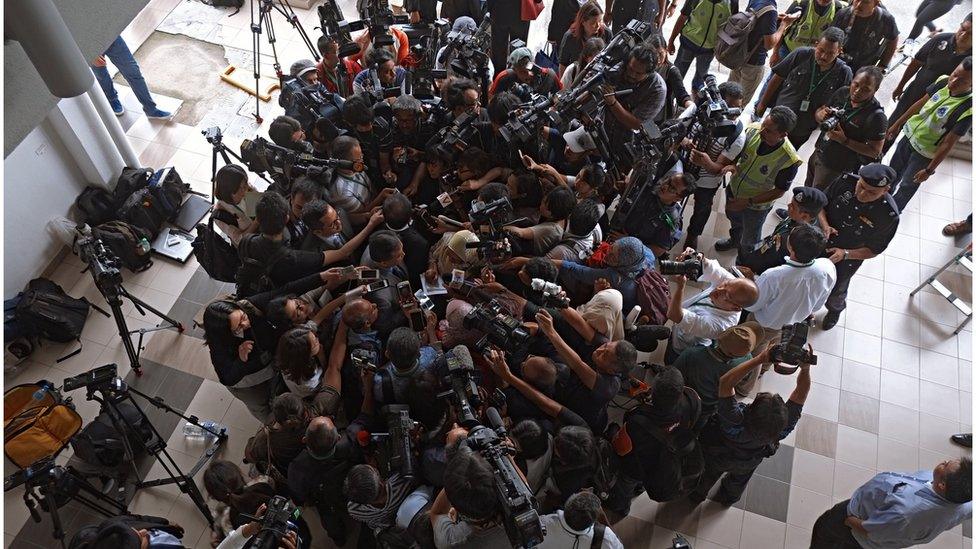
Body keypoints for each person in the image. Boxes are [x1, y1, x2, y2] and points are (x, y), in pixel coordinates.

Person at [688, 342, 811, 505]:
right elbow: (801, 392)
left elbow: (726, 382)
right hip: (750, 460)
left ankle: (697, 494)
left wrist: (760, 359)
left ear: (751, 409)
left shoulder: (734, 419)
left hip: (717, 454)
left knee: (709, 473)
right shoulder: (781, 428)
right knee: (740, 478)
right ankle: (729, 497)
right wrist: (805, 369)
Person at [735, 223, 835, 395]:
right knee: (774, 349)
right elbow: (818, 305)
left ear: (790, 246)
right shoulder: (827, 268)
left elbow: (754, 304)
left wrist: (751, 282)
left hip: (762, 325)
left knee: (754, 358)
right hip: (793, 324)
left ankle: (743, 388)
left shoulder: (774, 276)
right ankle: (765, 369)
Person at [811, 457, 972, 548]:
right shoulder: (963, 501)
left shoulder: (906, 513)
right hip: (876, 512)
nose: (944, 461)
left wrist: (848, 520)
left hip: (853, 530)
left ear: (942, 485)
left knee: (824, 533)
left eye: (945, 465)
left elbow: (874, 532)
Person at [818, 164, 900, 330]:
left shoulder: (888, 215)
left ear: (885, 190)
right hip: (821, 240)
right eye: (861, 186)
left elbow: (874, 250)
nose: (862, 194)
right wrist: (825, 225)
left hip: (849, 255)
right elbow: (821, 205)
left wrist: (846, 254)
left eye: (872, 192)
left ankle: (835, 310)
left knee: (837, 288)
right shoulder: (845, 182)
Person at [886, 58, 973, 211]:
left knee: (907, 186)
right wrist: (896, 124)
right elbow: (918, 104)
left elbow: (948, 143)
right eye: (955, 74)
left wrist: (929, 170)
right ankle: (879, 202)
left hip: (924, 154)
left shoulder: (967, 109)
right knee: (891, 174)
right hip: (908, 137)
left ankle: (891, 213)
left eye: (962, 81)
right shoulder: (942, 81)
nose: (953, 81)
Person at [714, 106, 801, 257]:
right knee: (734, 221)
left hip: (756, 206)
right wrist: (733, 165)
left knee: (750, 238)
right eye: (763, 126)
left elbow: (779, 191)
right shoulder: (751, 130)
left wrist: (748, 202)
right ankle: (734, 241)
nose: (761, 131)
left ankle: (744, 262)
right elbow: (737, 152)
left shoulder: (789, 159)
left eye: (768, 131)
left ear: (782, 134)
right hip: (734, 191)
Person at [536, 308, 638, 432]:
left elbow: (577, 364)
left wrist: (551, 331)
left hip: (581, 418)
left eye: (604, 356)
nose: (599, 350)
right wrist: (561, 304)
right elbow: (580, 325)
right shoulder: (607, 348)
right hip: (573, 385)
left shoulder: (609, 387)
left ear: (612, 371)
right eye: (605, 346)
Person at [755, 27, 852, 149]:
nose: (823, 56)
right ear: (816, 44)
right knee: (759, 148)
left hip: (804, 127)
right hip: (777, 121)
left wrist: (823, 113)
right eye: (821, 50)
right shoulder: (801, 54)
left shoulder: (844, 73)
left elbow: (840, 103)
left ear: (839, 51)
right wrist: (762, 103)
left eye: (830, 53)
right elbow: (778, 77)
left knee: (784, 156)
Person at [679, 80, 746, 250]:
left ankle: (693, 234)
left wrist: (707, 163)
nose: (733, 114)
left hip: (707, 179)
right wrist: (685, 141)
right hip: (681, 165)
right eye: (727, 109)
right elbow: (677, 128)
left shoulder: (737, 135)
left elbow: (719, 168)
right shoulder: (698, 109)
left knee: (703, 207)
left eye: (737, 109)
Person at [665, 250, 761, 364]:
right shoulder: (732, 285)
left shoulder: (720, 325)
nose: (719, 289)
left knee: (672, 359)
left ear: (736, 308)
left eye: (726, 295)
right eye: (725, 285)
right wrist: (698, 257)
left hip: (685, 345)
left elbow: (674, 315)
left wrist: (681, 286)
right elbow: (712, 268)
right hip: (680, 329)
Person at [888, 15, 972, 142]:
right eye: (963, 29)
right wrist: (900, 86)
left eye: (970, 33)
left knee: (912, 138)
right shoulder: (940, 39)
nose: (963, 35)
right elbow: (916, 62)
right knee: (892, 127)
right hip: (915, 93)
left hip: (938, 107)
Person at [803, 66, 887, 189]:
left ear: (875, 90)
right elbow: (821, 110)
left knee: (815, 200)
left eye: (865, 89)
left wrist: (844, 140)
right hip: (818, 152)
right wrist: (820, 115)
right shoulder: (842, 93)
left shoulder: (877, 117)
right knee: (807, 189)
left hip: (836, 167)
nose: (857, 91)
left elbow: (874, 151)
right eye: (856, 84)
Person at [288, 415, 366, 547]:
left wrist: (305, 501)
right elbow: (363, 420)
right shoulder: (348, 441)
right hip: (353, 485)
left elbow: (298, 494)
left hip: (327, 501)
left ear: (304, 440)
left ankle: (339, 540)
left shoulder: (298, 467)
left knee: (331, 523)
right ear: (338, 437)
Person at [674, 321, 764, 428]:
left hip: (684, 401)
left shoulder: (691, 354)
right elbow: (743, 385)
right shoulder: (746, 361)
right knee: (697, 426)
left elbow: (674, 376)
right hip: (709, 408)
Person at [746, 187, 829, 276]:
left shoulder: (801, 240)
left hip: (767, 268)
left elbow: (782, 265)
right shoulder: (796, 218)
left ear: (804, 216)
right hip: (766, 250)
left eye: (792, 207)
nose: (788, 206)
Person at [602, 45, 667, 158]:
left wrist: (613, 103)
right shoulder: (621, 66)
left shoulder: (657, 89)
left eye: (638, 73)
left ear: (649, 73)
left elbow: (637, 124)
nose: (632, 75)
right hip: (602, 127)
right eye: (630, 69)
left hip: (625, 142)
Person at [90, 36, 172, 119]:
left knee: (133, 71)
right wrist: (90, 54)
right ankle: (112, 100)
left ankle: (150, 108)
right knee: (101, 75)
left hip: (111, 35)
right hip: (89, 44)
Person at [616, 172, 694, 258]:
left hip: (633, 254)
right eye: (668, 180)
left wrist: (628, 242)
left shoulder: (670, 219)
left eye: (672, 188)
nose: (664, 186)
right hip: (617, 231)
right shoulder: (649, 188)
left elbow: (657, 250)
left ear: (678, 198)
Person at [668, 0, 733, 92]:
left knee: (699, 84)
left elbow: (732, 25)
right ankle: (669, 101)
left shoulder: (731, 2)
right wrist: (671, 41)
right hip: (688, 43)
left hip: (709, 50)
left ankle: (695, 100)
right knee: (676, 78)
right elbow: (683, 17)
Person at [726, 0, 778, 104]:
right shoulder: (770, 11)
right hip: (754, 63)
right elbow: (769, 44)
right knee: (739, 103)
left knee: (728, 96)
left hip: (739, 55)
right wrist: (783, 25)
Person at [537, 491, 625, 548]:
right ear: (593, 521)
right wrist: (603, 519)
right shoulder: (605, 536)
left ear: (567, 506)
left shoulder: (542, 523)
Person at [830, 0, 899, 72]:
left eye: (865, 2)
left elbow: (893, 39)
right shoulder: (843, 14)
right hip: (838, 63)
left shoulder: (885, 19)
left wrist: (882, 65)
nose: (858, 5)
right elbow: (830, 36)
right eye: (857, 0)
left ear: (875, 4)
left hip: (864, 67)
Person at [772, 0, 847, 65]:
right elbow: (782, 27)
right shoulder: (801, 3)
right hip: (788, 50)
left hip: (813, 55)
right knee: (776, 76)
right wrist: (775, 53)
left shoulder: (838, 9)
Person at [558, 2, 613, 76]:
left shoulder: (606, 33)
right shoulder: (570, 37)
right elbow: (563, 64)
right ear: (583, 21)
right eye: (593, 23)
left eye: (600, 21)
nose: (598, 26)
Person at [648, 35, 693, 124]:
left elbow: (681, 94)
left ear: (666, 51)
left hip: (658, 118)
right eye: (653, 54)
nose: (657, 59)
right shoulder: (640, 65)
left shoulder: (671, 71)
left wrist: (691, 106)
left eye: (660, 54)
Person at [212, 164, 259, 247]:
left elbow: (258, 207)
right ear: (231, 192)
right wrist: (256, 223)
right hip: (250, 244)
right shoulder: (220, 215)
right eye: (243, 187)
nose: (247, 187)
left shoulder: (247, 188)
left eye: (246, 183)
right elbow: (239, 240)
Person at [488, 47, 563, 98]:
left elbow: (561, 95)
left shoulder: (548, 76)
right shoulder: (505, 78)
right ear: (515, 70)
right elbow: (493, 101)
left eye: (530, 68)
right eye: (522, 72)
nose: (528, 74)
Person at [486, 0, 530, 75]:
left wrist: (490, 9)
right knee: (519, 49)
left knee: (498, 49)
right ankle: (518, 76)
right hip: (521, 13)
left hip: (499, 11)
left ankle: (498, 77)